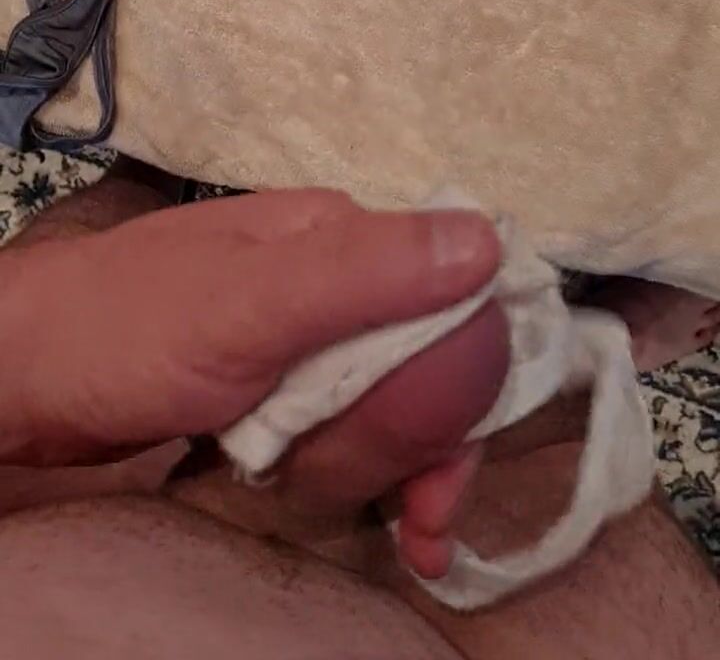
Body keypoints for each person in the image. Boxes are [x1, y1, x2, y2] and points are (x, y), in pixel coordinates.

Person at [0, 167, 717, 657]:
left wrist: (20, 365)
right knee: (527, 451)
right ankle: (590, 338)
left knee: (83, 313)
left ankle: (143, 175)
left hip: (45, 549)